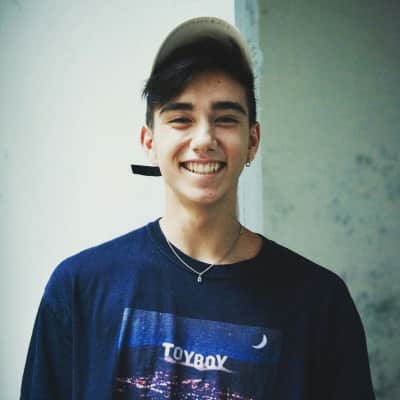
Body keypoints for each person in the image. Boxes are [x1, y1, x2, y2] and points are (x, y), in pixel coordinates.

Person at [21, 17, 375, 400]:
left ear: (252, 140)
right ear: (149, 142)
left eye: (225, 119)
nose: (204, 139)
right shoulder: (80, 288)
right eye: (181, 119)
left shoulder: (320, 303)